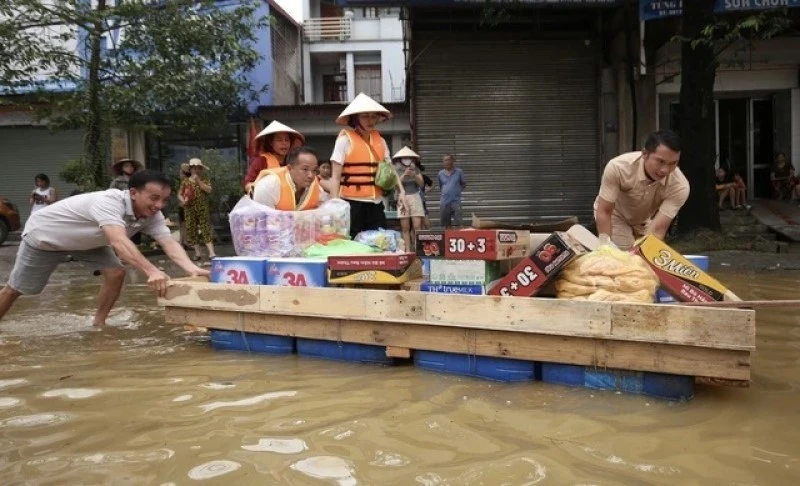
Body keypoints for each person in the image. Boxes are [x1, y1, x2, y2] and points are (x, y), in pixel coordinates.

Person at [0, 170, 209, 327]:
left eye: (164, 200)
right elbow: (118, 240)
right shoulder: (109, 201)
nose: (159, 205)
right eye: (154, 198)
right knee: (16, 289)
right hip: (46, 237)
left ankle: (98, 322)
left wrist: (191, 268)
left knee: (116, 272)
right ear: (134, 193)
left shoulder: (152, 214)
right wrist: (152, 270)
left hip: (88, 240)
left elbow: (169, 242)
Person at [594, 129, 689, 250]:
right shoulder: (618, 167)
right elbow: (605, 211)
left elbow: (658, 230)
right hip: (614, 215)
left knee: (646, 255)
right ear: (645, 154)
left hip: (643, 221)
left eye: (673, 163)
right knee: (624, 253)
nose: (665, 170)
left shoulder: (680, 186)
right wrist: (605, 246)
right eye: (660, 161)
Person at [328, 92, 406, 238]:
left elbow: (390, 169)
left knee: (379, 241)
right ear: (355, 119)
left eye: (373, 116)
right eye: (365, 116)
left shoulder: (380, 141)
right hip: (351, 203)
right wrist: (335, 205)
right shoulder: (344, 140)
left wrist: (401, 192)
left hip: (375, 203)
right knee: (351, 241)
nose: (370, 120)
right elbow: (336, 177)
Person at [252, 147, 324, 211]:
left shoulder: (316, 186)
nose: (311, 175)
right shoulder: (268, 186)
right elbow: (262, 221)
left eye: (314, 170)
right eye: (305, 169)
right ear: (290, 168)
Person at [243, 121, 305, 194]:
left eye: (287, 140)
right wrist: (252, 190)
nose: (284, 143)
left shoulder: (293, 161)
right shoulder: (261, 161)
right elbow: (248, 183)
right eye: (279, 140)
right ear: (271, 143)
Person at [178, 158, 216, 261]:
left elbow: (208, 190)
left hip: (202, 208)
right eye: (193, 168)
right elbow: (179, 194)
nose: (196, 170)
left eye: (198, 168)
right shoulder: (185, 181)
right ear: (190, 170)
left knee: (205, 229)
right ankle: (197, 253)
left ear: (201, 169)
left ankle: (212, 253)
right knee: (191, 230)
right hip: (189, 208)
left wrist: (198, 181)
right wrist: (183, 200)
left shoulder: (205, 179)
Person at [392, 146, 426, 251]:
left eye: (408, 157)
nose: (406, 159)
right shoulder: (396, 169)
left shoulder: (415, 168)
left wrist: (414, 175)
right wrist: (404, 175)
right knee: (405, 227)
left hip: (415, 196)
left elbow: (421, 184)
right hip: (403, 197)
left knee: (417, 225)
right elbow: (395, 186)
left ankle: (419, 248)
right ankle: (407, 249)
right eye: (404, 157)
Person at [438, 153, 466, 228]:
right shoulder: (440, 173)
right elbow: (441, 186)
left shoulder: (459, 172)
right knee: (446, 225)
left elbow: (463, 184)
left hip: (455, 201)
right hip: (444, 202)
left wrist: (456, 190)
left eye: (448, 160)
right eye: (444, 160)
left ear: (452, 161)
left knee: (459, 223)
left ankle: (460, 237)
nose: (446, 162)